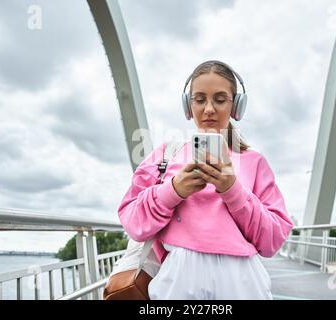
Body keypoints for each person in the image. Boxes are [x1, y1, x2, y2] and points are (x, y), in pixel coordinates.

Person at [118, 60, 294, 300]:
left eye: (220, 99)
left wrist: (233, 191)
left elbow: (272, 240)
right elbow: (132, 222)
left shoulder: (254, 161)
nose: (209, 109)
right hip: (179, 281)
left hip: (243, 284)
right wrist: (172, 191)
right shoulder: (164, 155)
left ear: (236, 107)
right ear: (188, 107)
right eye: (199, 99)